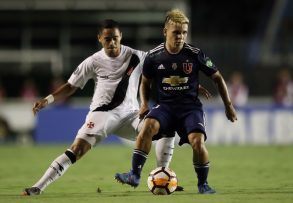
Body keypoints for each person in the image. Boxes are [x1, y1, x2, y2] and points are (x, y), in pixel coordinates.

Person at [22, 19, 211, 196]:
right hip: (102, 115)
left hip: (131, 115)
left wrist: (192, 86)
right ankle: (38, 186)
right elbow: (71, 86)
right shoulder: (93, 61)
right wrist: (47, 100)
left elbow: (164, 70)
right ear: (100, 39)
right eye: (107, 39)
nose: (112, 42)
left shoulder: (137, 56)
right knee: (77, 149)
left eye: (115, 38)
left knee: (165, 127)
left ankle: (162, 176)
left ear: (120, 36)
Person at [115, 9, 237, 194]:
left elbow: (218, 78)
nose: (180, 37)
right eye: (176, 32)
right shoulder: (153, 56)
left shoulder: (195, 53)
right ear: (165, 32)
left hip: (190, 108)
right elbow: (145, 82)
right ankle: (134, 174)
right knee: (147, 126)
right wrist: (144, 104)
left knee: (197, 142)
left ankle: (203, 184)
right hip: (165, 107)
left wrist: (228, 106)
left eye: (184, 33)